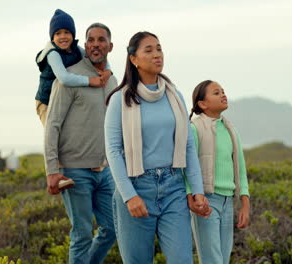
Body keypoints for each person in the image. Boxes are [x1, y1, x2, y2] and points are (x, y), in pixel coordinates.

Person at [104, 31, 211, 264]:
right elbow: (112, 150)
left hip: (173, 188)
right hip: (136, 186)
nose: (157, 55)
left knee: (182, 260)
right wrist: (129, 196)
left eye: (159, 49)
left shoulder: (175, 96)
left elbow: (188, 145)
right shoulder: (119, 100)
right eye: (149, 50)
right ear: (134, 59)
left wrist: (197, 190)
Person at [44, 22, 117, 264]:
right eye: (91, 40)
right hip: (75, 171)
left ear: (110, 46)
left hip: (105, 170)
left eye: (101, 40)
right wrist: (52, 170)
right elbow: (52, 124)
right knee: (82, 234)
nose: (96, 44)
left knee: (112, 228)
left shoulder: (113, 81)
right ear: (85, 45)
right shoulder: (69, 78)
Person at [187, 80, 251, 264]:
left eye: (223, 91)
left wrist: (245, 203)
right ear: (202, 104)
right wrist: (191, 196)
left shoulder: (231, 129)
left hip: (227, 201)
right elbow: (187, 168)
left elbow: (240, 168)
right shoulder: (194, 128)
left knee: (223, 259)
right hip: (207, 200)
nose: (223, 94)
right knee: (212, 260)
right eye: (216, 93)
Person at [35, 9, 111, 126]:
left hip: (63, 99)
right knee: (52, 130)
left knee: (69, 131)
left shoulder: (77, 50)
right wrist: (90, 81)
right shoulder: (52, 54)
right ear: (52, 37)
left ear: (73, 34)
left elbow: (93, 57)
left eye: (67, 32)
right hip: (46, 101)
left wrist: (108, 71)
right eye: (58, 33)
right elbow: (64, 78)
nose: (63, 36)